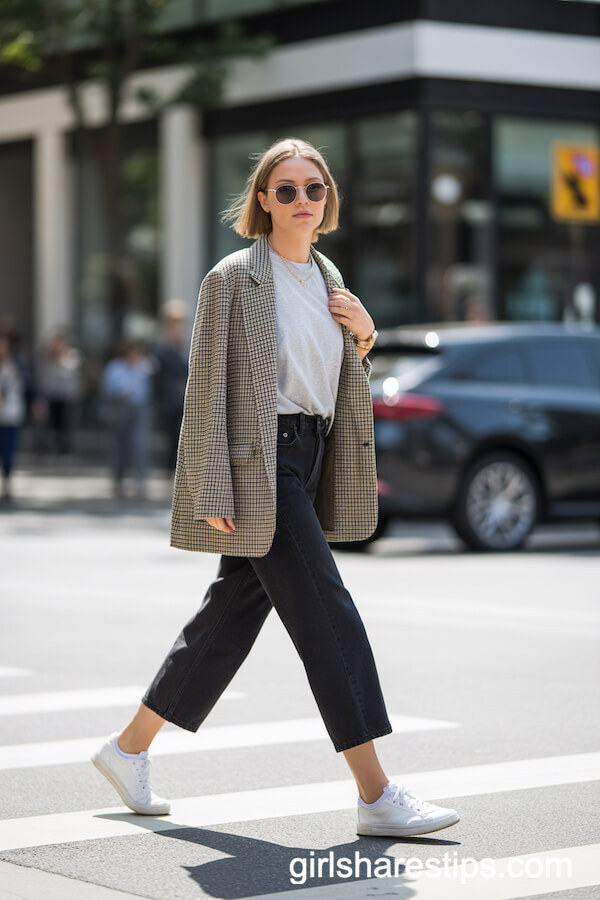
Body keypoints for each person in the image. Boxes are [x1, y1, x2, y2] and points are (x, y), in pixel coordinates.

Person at [91, 138, 459, 838]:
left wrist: (368, 334)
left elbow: (333, 374)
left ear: (329, 202)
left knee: (228, 614)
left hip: (312, 455)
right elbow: (205, 390)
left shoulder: (329, 277)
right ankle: (376, 794)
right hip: (261, 462)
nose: (300, 200)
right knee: (327, 611)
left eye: (312, 189)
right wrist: (211, 485)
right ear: (262, 200)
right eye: (284, 189)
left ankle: (127, 748)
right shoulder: (232, 278)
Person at [100, 338, 154, 500]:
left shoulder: (146, 368)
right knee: (120, 447)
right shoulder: (115, 368)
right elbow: (109, 390)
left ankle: (141, 481)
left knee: (139, 445)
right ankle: (118, 480)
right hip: (121, 408)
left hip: (140, 409)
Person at [148, 299, 188, 473]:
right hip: (169, 399)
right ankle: (170, 467)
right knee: (172, 435)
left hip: (184, 398)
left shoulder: (185, 343)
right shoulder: (161, 346)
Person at [0, 332, 28, 503]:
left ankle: (7, 483)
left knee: (8, 452)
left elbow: (28, 384)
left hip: (11, 415)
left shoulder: (17, 365)